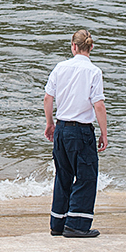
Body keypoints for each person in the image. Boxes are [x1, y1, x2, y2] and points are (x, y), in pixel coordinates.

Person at [43, 29, 108, 238]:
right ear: (91, 47)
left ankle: (58, 223)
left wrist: (50, 124)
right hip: (81, 131)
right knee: (86, 176)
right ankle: (77, 224)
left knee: (63, 175)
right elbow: (98, 105)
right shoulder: (93, 71)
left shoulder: (60, 67)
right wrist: (104, 133)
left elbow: (47, 98)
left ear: (73, 47)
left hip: (61, 128)